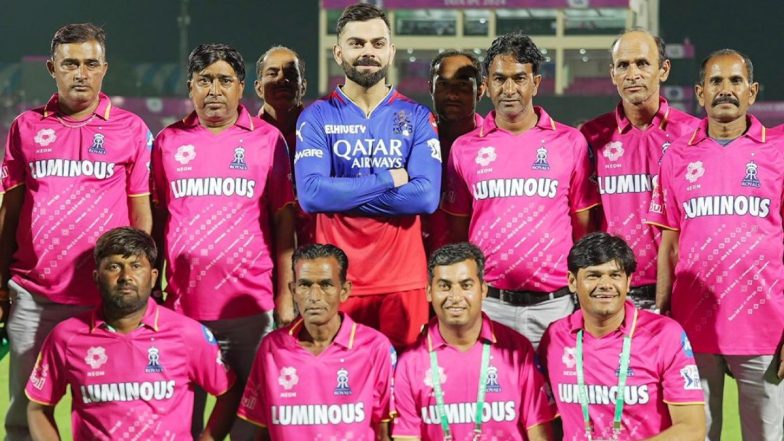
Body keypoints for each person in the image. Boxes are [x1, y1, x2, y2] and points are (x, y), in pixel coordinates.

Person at [0, 23, 153, 440]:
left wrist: (138, 284)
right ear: (53, 68)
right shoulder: (25, 128)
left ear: (104, 68)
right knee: (23, 411)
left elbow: (142, 217)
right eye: (70, 64)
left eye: (90, 64)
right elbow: (10, 210)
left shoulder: (131, 129)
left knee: (110, 409)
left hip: (103, 300)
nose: (80, 73)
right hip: (35, 295)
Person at [151, 43, 295, 439]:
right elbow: (159, 218)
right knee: (183, 423)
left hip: (251, 308)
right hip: (185, 311)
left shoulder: (267, 140)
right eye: (204, 81)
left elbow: (285, 222)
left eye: (224, 80)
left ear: (240, 87)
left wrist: (285, 295)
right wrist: (154, 288)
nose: (214, 90)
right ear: (190, 87)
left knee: (253, 425)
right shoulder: (167, 142)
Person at [648, 49, 784, 440]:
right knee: (696, 434)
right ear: (700, 93)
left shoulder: (777, 152)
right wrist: (662, 316)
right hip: (693, 327)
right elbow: (669, 244)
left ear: (752, 91)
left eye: (735, 81)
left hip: (766, 330)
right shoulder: (676, 157)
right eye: (716, 82)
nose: (726, 90)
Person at [294, 3, 441, 350]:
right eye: (357, 43)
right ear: (338, 52)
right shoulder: (316, 117)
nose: (367, 52)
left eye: (377, 44)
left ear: (390, 52)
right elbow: (313, 194)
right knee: (343, 395)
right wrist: (390, 178)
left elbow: (426, 198)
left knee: (404, 394)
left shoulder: (416, 116)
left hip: (403, 282)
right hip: (337, 283)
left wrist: (342, 193)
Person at [442, 31, 599, 348]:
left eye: (519, 78)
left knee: (556, 396)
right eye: (500, 78)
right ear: (487, 83)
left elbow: (583, 227)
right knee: (491, 397)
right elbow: (458, 232)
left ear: (536, 83)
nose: (509, 89)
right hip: (490, 304)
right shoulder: (464, 149)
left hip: (555, 305)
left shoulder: (570, 142)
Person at [25, 227, 238, 441]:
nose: (125, 277)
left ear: (153, 276)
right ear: (96, 277)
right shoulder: (66, 337)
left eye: (136, 266)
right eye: (114, 267)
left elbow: (228, 393)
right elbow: (38, 408)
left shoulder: (188, 334)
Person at [539, 232, 706, 441]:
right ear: (572, 281)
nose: (606, 284)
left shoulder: (664, 335)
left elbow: (692, 429)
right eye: (594, 275)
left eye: (615, 275)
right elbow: (542, 418)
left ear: (628, 282)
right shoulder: (555, 337)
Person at [579, 29, 699, 310]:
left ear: (664, 69)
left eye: (643, 63)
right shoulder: (591, 135)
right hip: (613, 292)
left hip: (682, 289)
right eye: (623, 65)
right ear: (613, 75)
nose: (632, 73)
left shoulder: (693, 135)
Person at [393, 242, 555, 441]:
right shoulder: (410, 363)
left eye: (466, 285)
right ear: (428, 292)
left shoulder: (518, 350)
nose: (455, 297)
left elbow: (539, 432)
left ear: (483, 290)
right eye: (444, 286)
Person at [237, 244, 395, 441]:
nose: (314, 296)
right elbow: (256, 429)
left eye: (326, 285)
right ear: (293, 291)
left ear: (344, 290)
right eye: (304, 285)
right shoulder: (272, 348)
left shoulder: (375, 347)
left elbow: (385, 433)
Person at [423, 50, 485, 255]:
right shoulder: (412, 142)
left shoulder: (497, 145)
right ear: (431, 87)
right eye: (443, 84)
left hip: (478, 271)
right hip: (419, 266)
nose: (452, 94)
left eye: (463, 85)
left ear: (481, 90)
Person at [254, 45, 314, 248]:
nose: (282, 79)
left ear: (303, 86)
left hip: (313, 251)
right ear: (258, 87)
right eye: (273, 73)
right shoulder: (242, 140)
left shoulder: (322, 135)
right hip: (259, 253)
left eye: (290, 74)